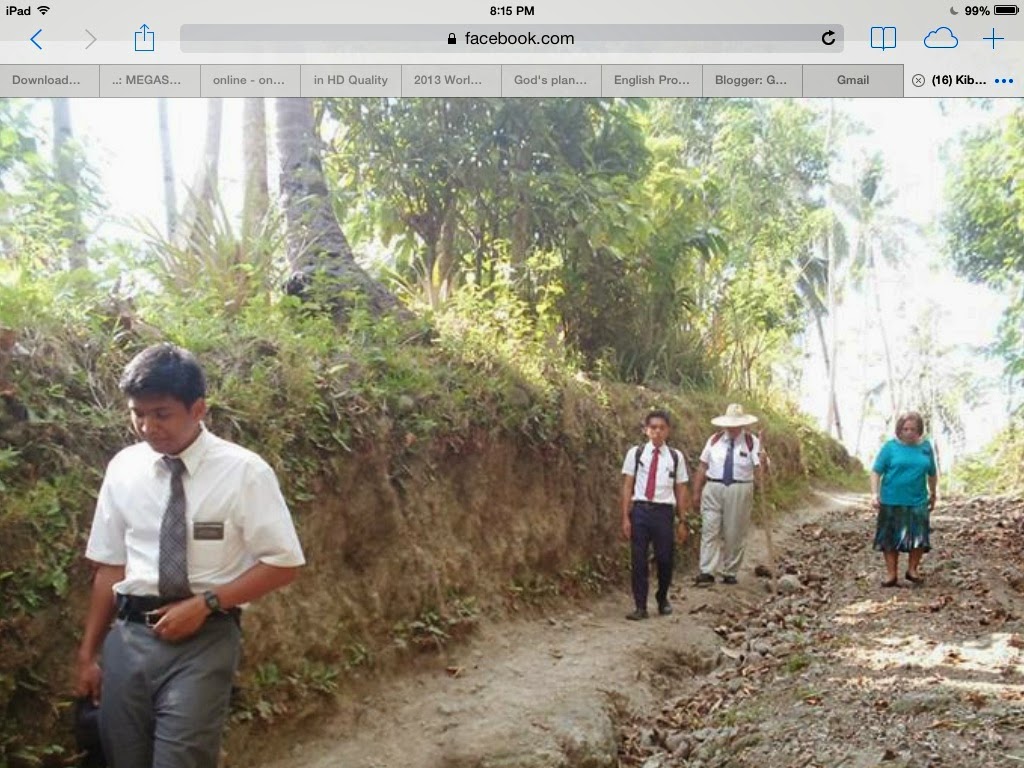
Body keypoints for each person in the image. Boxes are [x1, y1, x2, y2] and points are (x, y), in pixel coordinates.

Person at [73, 343, 306, 768]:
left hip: (205, 639)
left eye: (161, 414)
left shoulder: (244, 472)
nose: (147, 427)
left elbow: (283, 562)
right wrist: (88, 654)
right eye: (138, 414)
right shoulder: (124, 469)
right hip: (129, 638)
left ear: (198, 409)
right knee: (123, 757)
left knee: (181, 758)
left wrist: (206, 604)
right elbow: (110, 565)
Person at [620, 409, 691, 620]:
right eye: (653, 427)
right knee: (638, 559)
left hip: (663, 512)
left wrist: (682, 520)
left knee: (665, 558)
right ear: (646, 430)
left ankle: (662, 598)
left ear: (668, 431)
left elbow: (681, 488)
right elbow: (628, 485)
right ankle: (640, 606)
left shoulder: (675, 457)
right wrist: (625, 516)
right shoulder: (636, 453)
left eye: (662, 428)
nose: (657, 431)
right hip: (641, 511)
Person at [692, 403, 762, 587]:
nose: (732, 428)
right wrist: (696, 491)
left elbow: (759, 468)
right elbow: (703, 466)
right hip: (713, 486)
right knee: (710, 529)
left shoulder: (752, 442)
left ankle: (730, 571)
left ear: (742, 425)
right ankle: (707, 571)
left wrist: (763, 467)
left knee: (735, 531)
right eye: (729, 424)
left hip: (739, 488)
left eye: (735, 425)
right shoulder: (714, 440)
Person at [870, 411, 938, 587]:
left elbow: (932, 473)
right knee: (890, 539)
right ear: (899, 430)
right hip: (891, 500)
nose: (909, 432)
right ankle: (891, 574)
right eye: (905, 429)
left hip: (918, 500)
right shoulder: (890, 448)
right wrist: (874, 494)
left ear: (919, 430)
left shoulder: (926, 448)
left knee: (919, 537)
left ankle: (912, 570)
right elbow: (876, 471)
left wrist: (933, 493)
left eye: (913, 429)